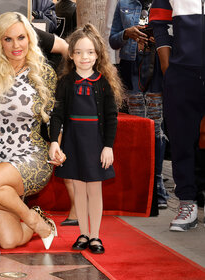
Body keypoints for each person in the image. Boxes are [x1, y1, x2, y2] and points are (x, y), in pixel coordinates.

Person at [0, 11, 60, 250]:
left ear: (30, 39)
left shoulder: (43, 73)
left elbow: (56, 118)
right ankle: (40, 220)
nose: (16, 45)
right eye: (8, 39)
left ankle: (33, 220)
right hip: (1, 161)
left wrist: (56, 144)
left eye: (21, 38)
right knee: (9, 241)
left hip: (32, 157)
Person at [49, 24, 124, 254]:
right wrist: (54, 141)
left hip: (95, 144)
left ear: (98, 54)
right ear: (71, 55)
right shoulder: (65, 82)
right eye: (79, 52)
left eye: (90, 52)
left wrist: (108, 146)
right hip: (73, 142)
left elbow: (111, 117)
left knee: (95, 190)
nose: (85, 57)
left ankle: (95, 236)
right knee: (79, 190)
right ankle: (82, 233)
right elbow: (57, 114)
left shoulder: (103, 84)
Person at [150, 0, 205, 231]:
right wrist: (168, 69)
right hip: (182, 73)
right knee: (181, 139)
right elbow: (160, 25)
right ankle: (187, 203)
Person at [109, 0, 168, 214]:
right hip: (131, 69)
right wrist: (127, 34)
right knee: (138, 126)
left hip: (157, 71)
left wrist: (160, 38)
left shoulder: (164, 3)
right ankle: (140, 182)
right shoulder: (124, 3)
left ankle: (157, 181)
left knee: (156, 127)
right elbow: (113, 40)